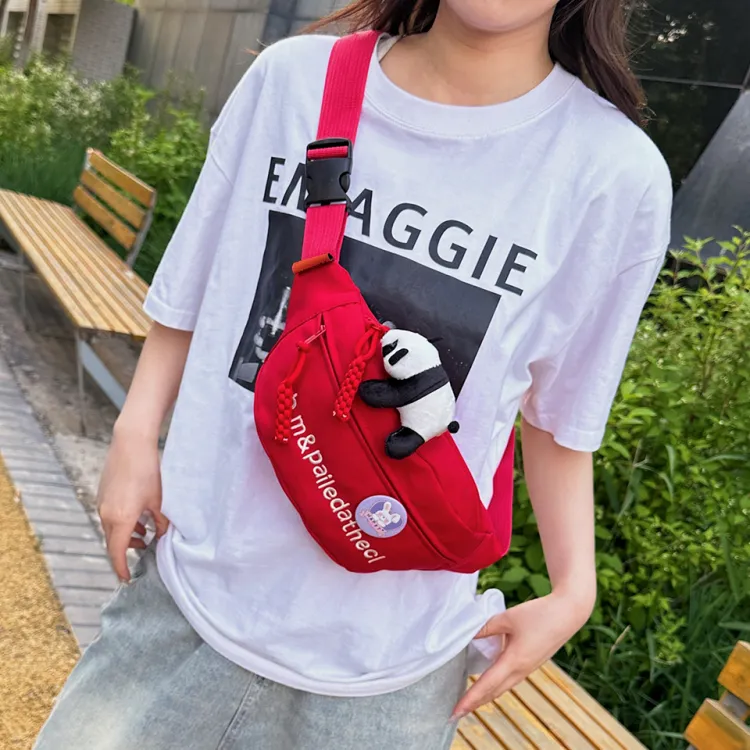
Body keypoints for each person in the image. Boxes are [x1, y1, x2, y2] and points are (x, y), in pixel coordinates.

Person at [34, 0, 672, 747]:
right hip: (188, 596)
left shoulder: (615, 174)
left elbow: (561, 417)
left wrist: (574, 592)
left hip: (385, 677)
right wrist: (135, 430)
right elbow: (195, 280)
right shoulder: (292, 82)